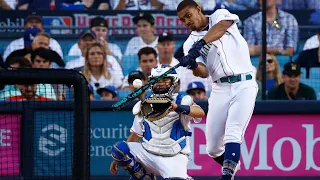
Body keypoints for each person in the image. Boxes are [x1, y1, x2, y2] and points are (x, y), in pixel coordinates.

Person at [176, 1, 258, 180]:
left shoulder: (219, 15)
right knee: (212, 148)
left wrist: (200, 44)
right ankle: (231, 164)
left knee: (233, 132)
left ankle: (227, 175)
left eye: (188, 15)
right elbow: (203, 72)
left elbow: (221, 28)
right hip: (220, 87)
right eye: (182, 20)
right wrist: (192, 65)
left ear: (198, 8)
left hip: (244, 83)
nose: (186, 21)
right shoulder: (189, 43)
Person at [110, 64, 205, 179]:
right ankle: (145, 176)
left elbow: (200, 112)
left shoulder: (182, 100)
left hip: (174, 156)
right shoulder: (144, 103)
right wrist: (119, 159)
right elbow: (136, 135)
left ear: (173, 81)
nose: (160, 83)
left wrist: (176, 107)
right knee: (119, 149)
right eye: (157, 80)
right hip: (148, 153)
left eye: (165, 79)